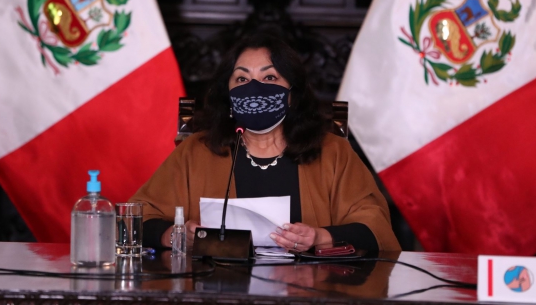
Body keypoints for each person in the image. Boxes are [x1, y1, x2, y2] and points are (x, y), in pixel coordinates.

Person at [129, 33, 400, 252]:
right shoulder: (197, 151)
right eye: (242, 79)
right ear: (228, 94)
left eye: (269, 77)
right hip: (217, 288)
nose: (254, 88)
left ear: (292, 93)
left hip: (310, 289)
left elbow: (374, 225)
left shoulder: (332, 152)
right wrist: (175, 235)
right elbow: (136, 218)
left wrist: (319, 237)